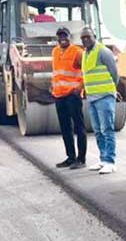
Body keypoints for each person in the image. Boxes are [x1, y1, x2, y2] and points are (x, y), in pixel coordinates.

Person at [80, 27, 119, 174]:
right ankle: (103, 159)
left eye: (88, 37)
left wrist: (110, 90)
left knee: (107, 129)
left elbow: (114, 73)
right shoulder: (85, 54)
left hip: (104, 97)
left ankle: (110, 161)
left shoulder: (103, 52)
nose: (85, 40)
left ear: (94, 36)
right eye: (83, 38)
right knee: (97, 130)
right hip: (92, 98)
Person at [52, 27, 87, 170]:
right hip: (59, 96)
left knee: (79, 127)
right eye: (60, 36)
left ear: (70, 37)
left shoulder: (77, 52)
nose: (62, 38)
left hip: (72, 95)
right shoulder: (55, 51)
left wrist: (79, 88)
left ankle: (81, 159)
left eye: (65, 36)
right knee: (65, 128)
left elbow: (86, 71)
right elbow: (57, 72)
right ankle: (70, 157)